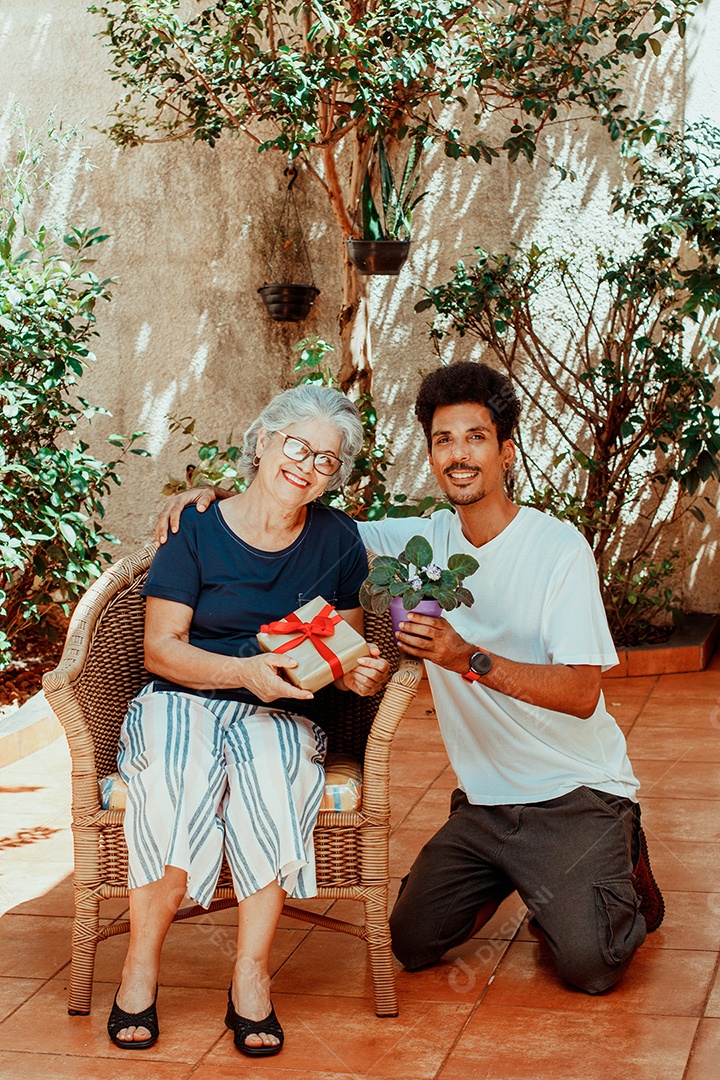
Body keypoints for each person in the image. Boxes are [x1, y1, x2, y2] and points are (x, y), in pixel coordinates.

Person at [156, 361, 663, 997]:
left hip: (577, 792)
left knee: (590, 967)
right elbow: (293, 515)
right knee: (411, 943)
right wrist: (205, 502)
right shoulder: (416, 541)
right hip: (486, 802)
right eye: (443, 440)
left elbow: (583, 694)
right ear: (430, 454)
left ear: (507, 450)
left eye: (476, 437)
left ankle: (618, 866)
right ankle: (529, 875)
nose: (459, 455)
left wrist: (466, 658)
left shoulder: (557, 549)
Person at [109, 385, 389, 1057]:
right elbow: (160, 649)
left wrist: (355, 670)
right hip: (184, 698)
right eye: (297, 445)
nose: (308, 465)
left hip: (281, 713)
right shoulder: (195, 528)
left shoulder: (339, 540)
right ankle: (140, 966)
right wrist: (243, 673)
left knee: (274, 778)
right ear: (263, 443)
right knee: (175, 777)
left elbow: (338, 649)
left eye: (327, 458)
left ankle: (251, 976)